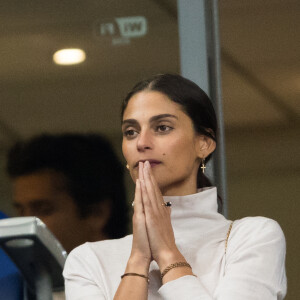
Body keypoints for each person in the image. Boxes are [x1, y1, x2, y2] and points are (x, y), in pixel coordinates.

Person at [63, 74, 287, 299]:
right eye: (131, 132)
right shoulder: (88, 260)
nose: (141, 143)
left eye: (162, 127)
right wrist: (138, 259)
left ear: (204, 143)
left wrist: (167, 253)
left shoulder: (253, 237)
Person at [6, 133, 129, 253]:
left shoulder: (142, 272)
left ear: (96, 213)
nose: (25, 228)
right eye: (21, 212)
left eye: (43, 210)